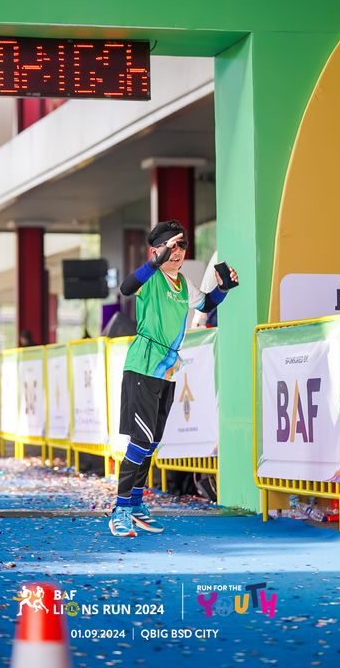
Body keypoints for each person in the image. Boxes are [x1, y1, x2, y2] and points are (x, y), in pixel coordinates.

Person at [108, 219, 239, 537]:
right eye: (171, 246)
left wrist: (223, 288)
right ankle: (120, 510)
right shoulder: (150, 277)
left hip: (166, 370)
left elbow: (206, 303)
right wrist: (154, 262)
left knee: (151, 443)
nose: (178, 251)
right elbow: (125, 288)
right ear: (156, 251)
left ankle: (135, 505)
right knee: (139, 442)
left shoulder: (183, 283)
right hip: (142, 366)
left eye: (182, 245)